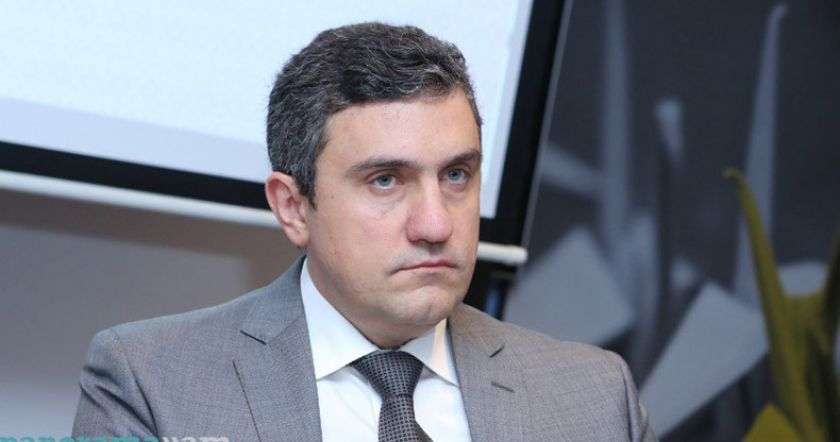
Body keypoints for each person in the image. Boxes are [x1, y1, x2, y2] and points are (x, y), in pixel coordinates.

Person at [72, 22, 655, 441]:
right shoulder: (151, 379)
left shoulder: (594, 398)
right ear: (293, 207)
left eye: (456, 175)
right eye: (385, 181)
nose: (436, 224)